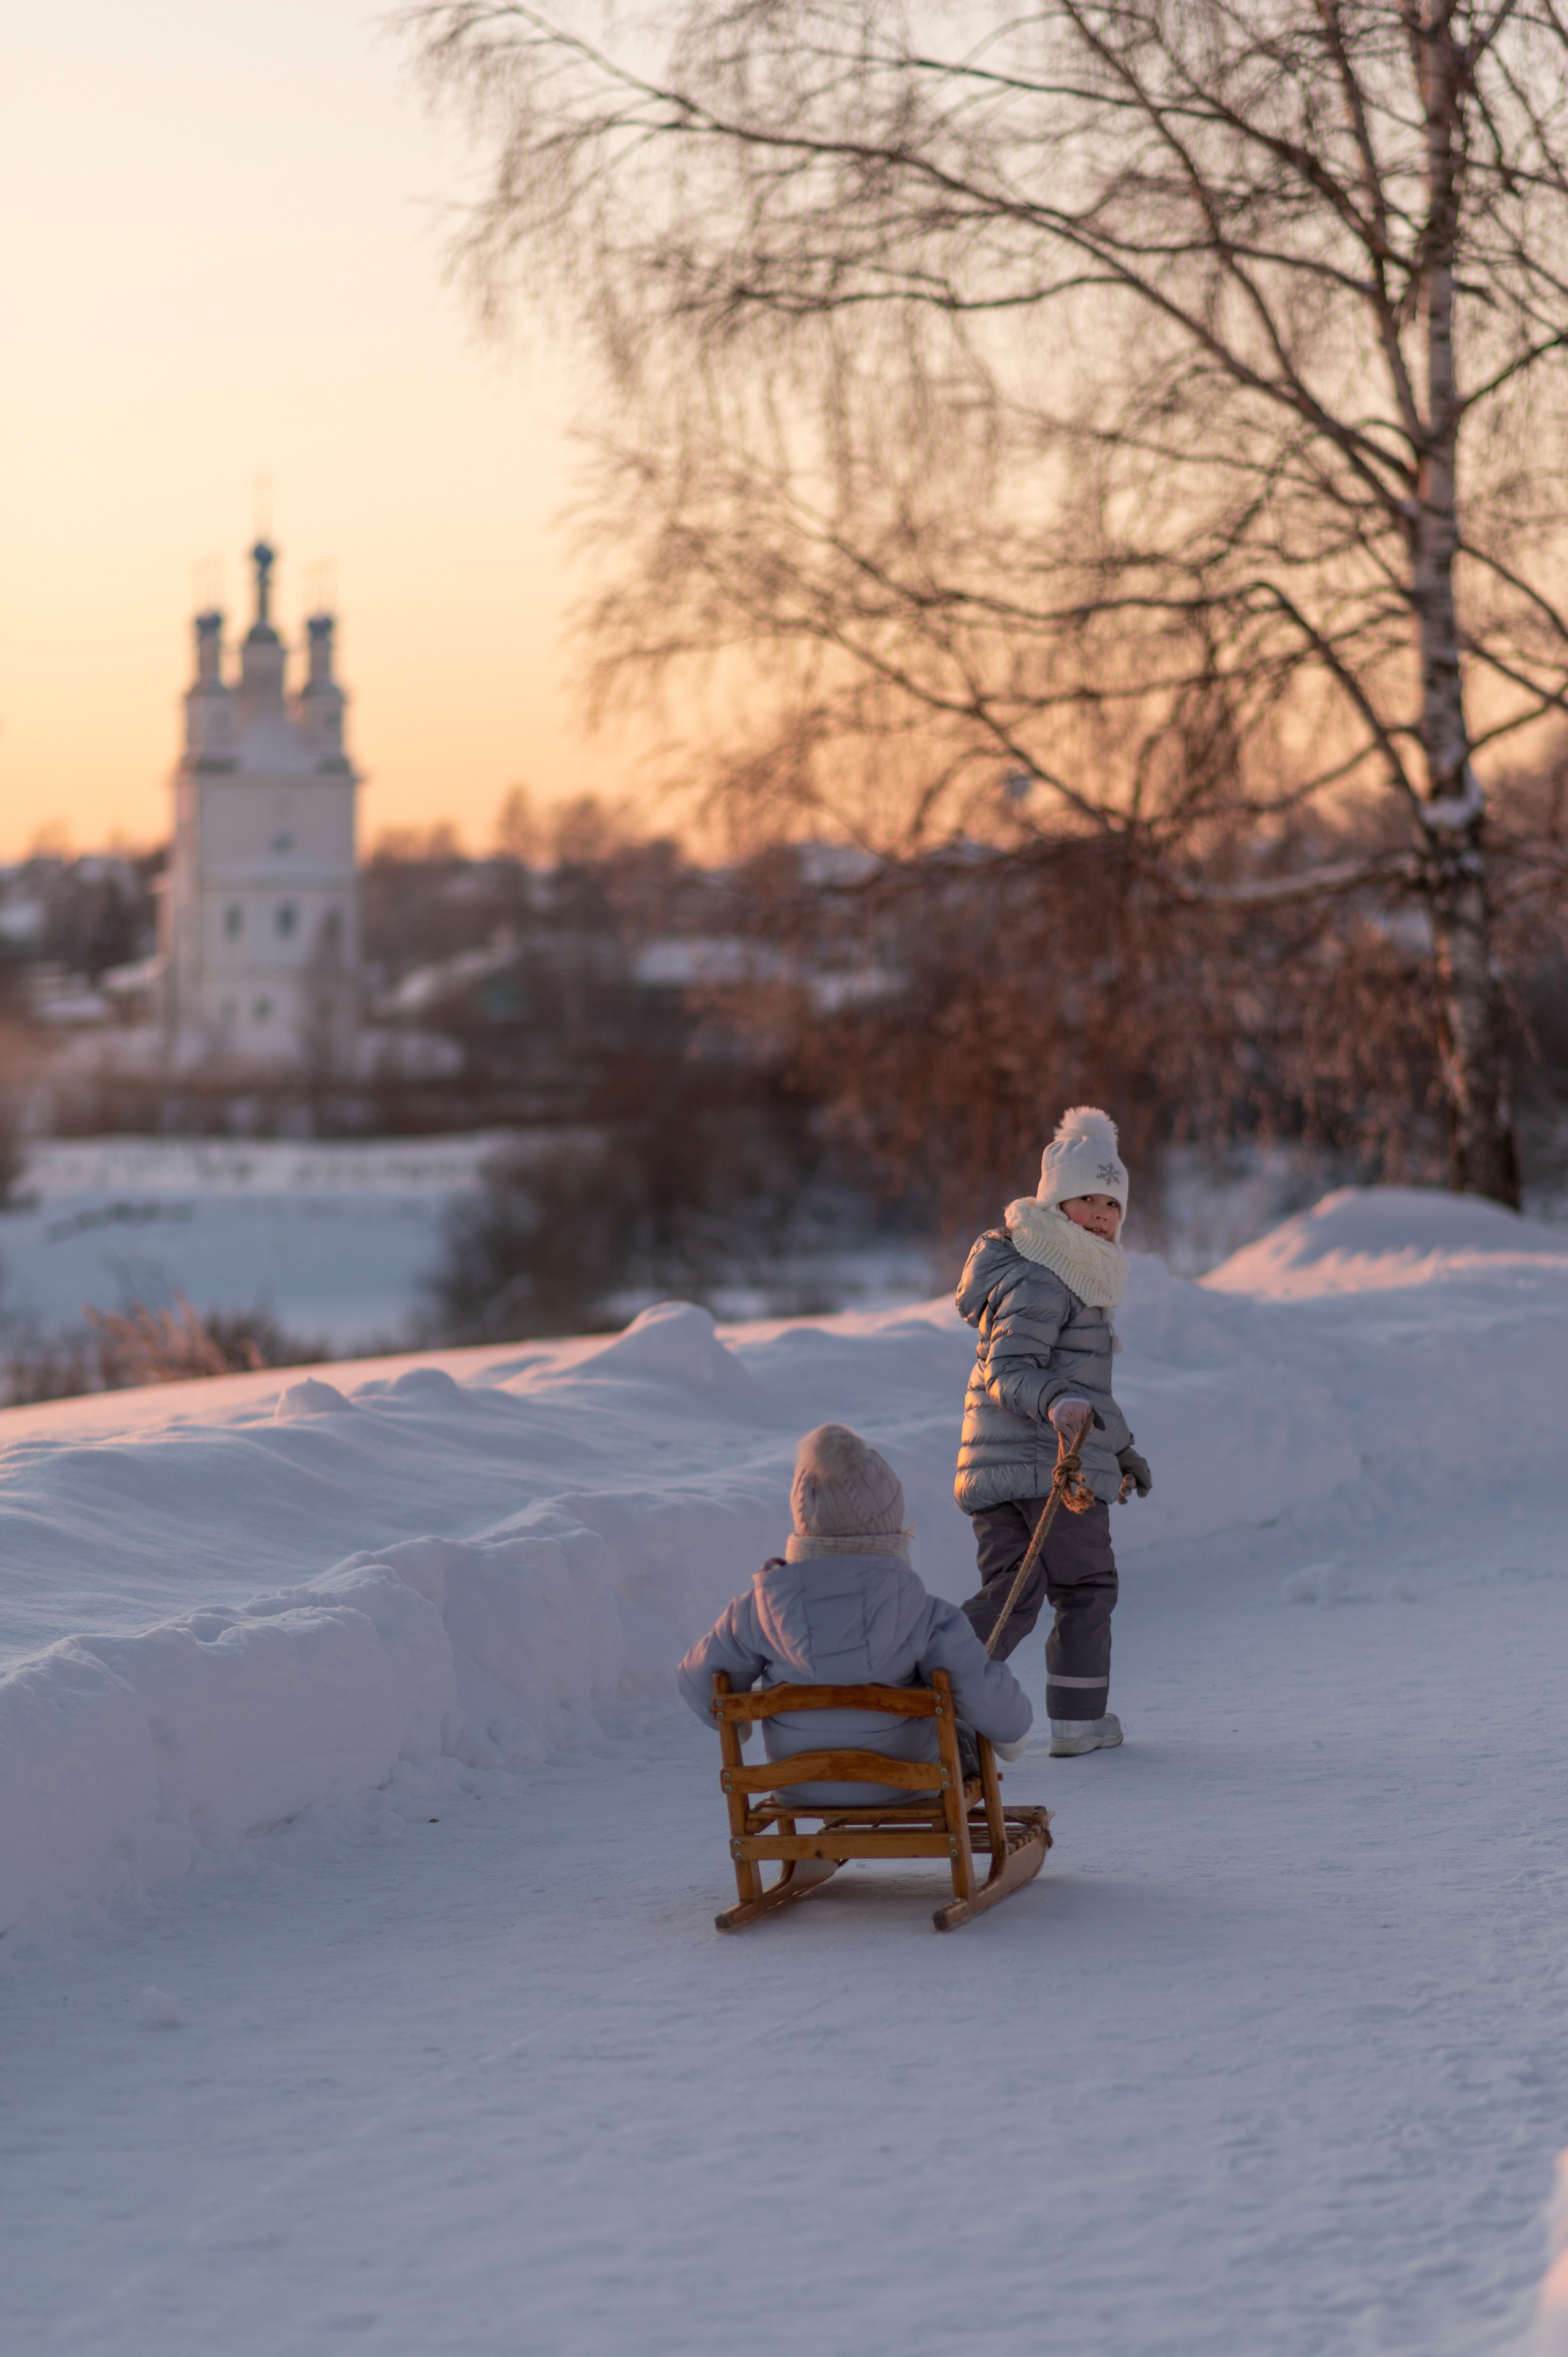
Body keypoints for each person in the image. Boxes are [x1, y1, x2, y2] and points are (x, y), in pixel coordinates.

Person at [677, 1422, 1032, 1806]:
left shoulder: (755, 1611)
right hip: (909, 1783)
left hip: (798, 1786)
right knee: (962, 1732)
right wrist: (1011, 1732)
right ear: (889, 1525)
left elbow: (699, 1679)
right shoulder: (925, 1614)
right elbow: (979, 1689)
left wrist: (740, 1722)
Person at [952, 1106, 1153, 1757]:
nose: (1100, 1214)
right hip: (1046, 1464)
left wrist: (1118, 1448)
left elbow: (1083, 1390)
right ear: (1054, 1202)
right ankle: (1076, 1720)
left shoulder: (1058, 1271)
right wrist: (1061, 1406)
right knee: (1086, 1586)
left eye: (1111, 1203)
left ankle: (932, 1698)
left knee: (1013, 1592)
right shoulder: (1048, 1276)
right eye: (1085, 1199)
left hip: (1004, 1467)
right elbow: (1011, 1370)